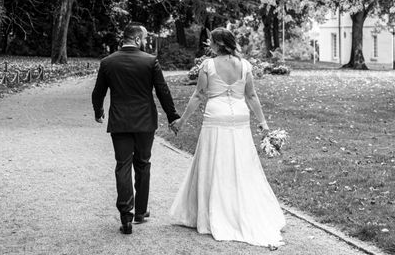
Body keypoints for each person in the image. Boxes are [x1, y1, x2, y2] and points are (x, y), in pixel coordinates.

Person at [169, 27, 285, 248]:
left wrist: (181, 121)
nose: (208, 45)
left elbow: (199, 95)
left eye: (210, 41)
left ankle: (212, 211)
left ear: (218, 44)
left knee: (214, 161)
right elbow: (251, 96)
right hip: (240, 116)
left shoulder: (208, 65)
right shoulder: (244, 65)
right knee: (241, 162)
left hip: (216, 115)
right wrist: (264, 125)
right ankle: (240, 206)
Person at [92, 23, 180, 235]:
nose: (146, 42)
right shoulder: (150, 61)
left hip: (120, 121)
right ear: (138, 39)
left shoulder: (108, 62)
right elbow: (162, 91)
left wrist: (98, 111)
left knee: (122, 165)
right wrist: (172, 116)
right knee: (143, 163)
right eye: (145, 38)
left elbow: (98, 92)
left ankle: (126, 215)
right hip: (144, 122)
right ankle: (140, 211)